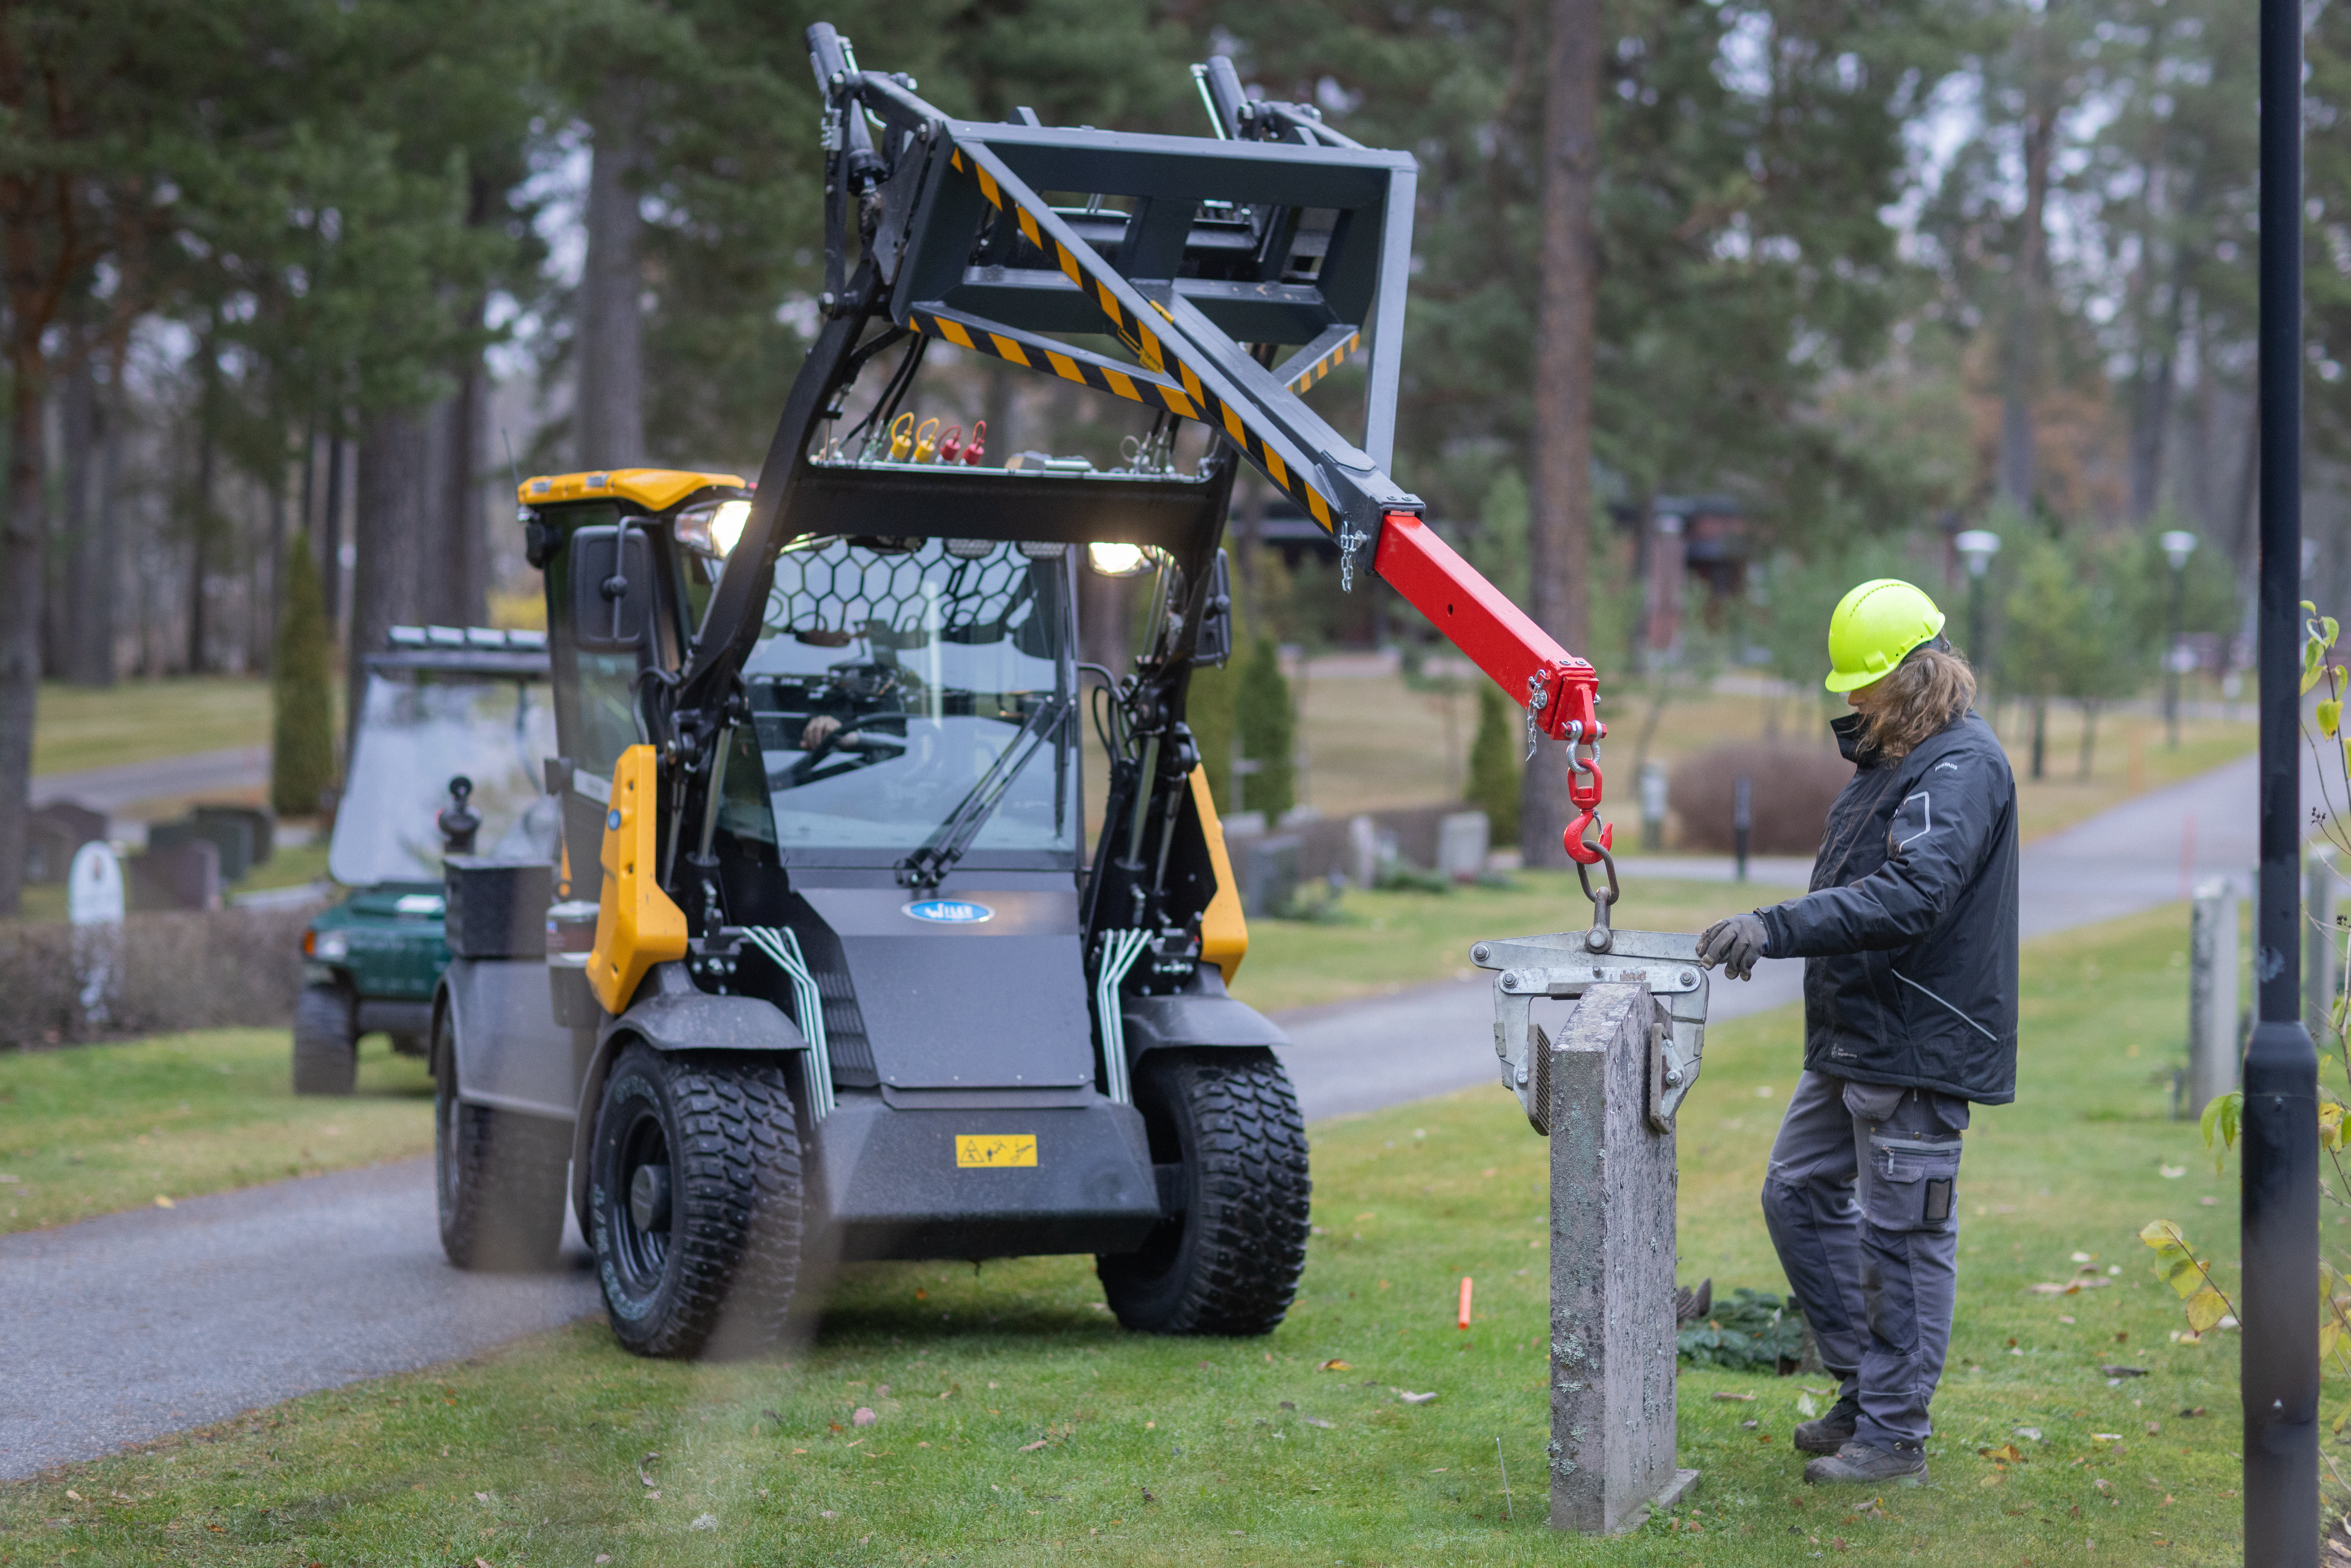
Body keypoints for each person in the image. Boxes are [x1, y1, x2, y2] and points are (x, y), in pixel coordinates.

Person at [1697, 578, 2018, 1487]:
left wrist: (1776, 926)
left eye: (1863, 688)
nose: (1850, 702)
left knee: (1903, 1238)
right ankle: (1864, 1391)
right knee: (1795, 1194)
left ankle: (1894, 1439)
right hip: (1856, 1037)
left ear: (1915, 680)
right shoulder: (1896, 758)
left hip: (1917, 1045)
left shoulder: (1961, 769)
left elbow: (1916, 896)